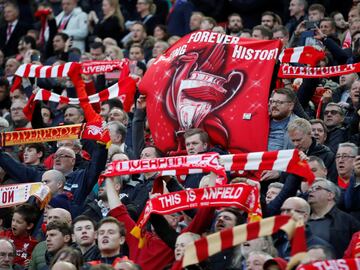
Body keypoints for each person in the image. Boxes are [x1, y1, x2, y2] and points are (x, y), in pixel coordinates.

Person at [307, 179, 360, 258]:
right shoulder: (302, 220)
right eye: (310, 189)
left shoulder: (348, 221)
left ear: (330, 195)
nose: (311, 191)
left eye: (317, 188)